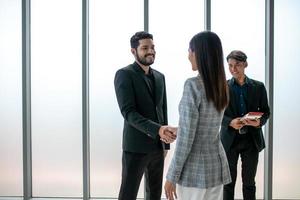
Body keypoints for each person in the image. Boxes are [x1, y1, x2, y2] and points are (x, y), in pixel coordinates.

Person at [164, 31, 232, 200]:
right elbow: (205, 125)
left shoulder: (193, 86)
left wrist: (172, 175)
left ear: (198, 53)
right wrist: (180, 129)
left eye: (189, 51)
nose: (188, 56)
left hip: (193, 172)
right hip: (216, 167)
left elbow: (187, 137)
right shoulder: (221, 85)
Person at [114, 31, 177, 200]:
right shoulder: (124, 74)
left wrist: (165, 144)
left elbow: (162, 111)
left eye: (153, 47)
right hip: (135, 147)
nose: (151, 51)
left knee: (154, 194)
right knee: (128, 193)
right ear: (134, 51)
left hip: (158, 147)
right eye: (145, 48)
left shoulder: (160, 76)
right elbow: (128, 113)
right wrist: (158, 130)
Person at [221, 50, 270, 200]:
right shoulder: (222, 87)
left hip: (251, 140)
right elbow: (216, 114)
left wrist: (258, 122)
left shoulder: (258, 87)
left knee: (249, 182)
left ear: (245, 64)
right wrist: (230, 122)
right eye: (230, 65)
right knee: (228, 183)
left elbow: (266, 112)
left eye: (237, 65)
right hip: (230, 140)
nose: (233, 69)